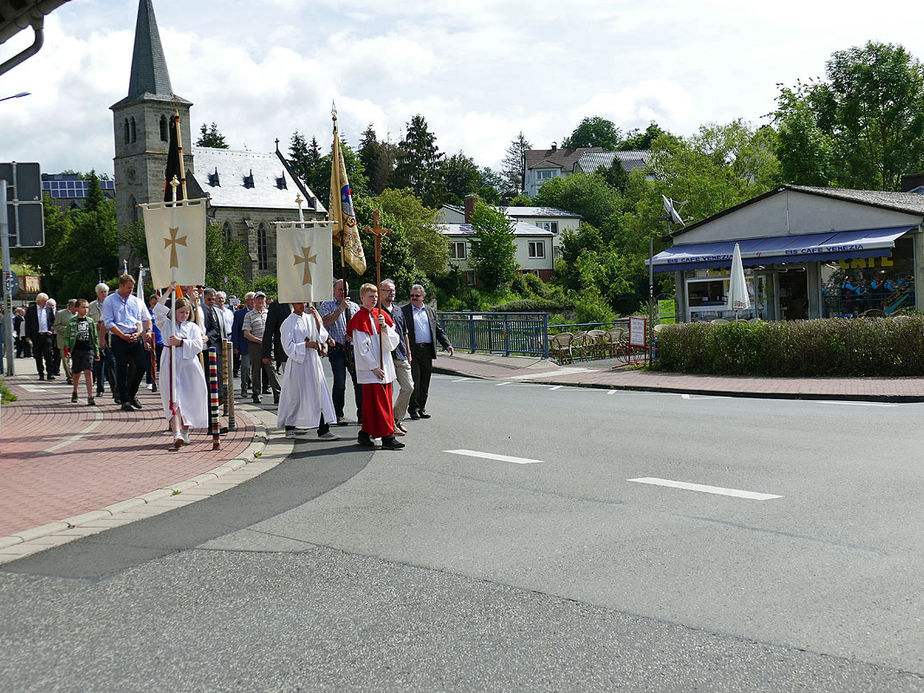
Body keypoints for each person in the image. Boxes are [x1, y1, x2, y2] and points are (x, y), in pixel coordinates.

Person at [347, 283, 404, 450]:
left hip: (384, 365)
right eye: (371, 297)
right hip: (372, 370)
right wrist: (373, 366)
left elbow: (392, 342)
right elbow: (361, 348)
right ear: (362, 297)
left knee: (376, 405)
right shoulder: (358, 318)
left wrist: (384, 327)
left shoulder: (381, 315)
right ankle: (387, 437)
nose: (374, 300)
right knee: (379, 404)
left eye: (376, 297)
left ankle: (365, 434)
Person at [154, 283, 208, 448]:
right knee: (173, 398)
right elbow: (157, 309)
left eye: (186, 312)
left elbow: (199, 344)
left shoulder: (192, 326)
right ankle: (176, 432)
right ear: (174, 312)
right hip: (170, 363)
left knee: (187, 399)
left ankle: (185, 430)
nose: (184, 315)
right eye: (180, 312)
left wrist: (181, 342)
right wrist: (169, 292)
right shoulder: (166, 324)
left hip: (188, 366)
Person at [277, 302, 338, 440]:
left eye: (303, 302)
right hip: (298, 363)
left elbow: (321, 336)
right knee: (296, 395)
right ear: (293, 303)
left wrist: (317, 318)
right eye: (299, 302)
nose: (302, 305)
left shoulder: (309, 317)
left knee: (318, 393)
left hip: (312, 361)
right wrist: (305, 345)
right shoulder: (288, 323)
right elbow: (287, 346)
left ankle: (323, 429)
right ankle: (290, 425)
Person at [102, 273, 153, 411]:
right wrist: (122, 335)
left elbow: (144, 319)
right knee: (122, 368)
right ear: (121, 286)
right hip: (119, 338)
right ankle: (124, 399)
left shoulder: (136, 301)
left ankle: (132, 393)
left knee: (142, 365)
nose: (131, 291)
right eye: (128, 288)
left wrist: (144, 331)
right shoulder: (110, 301)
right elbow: (108, 322)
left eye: (132, 288)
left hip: (134, 337)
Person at [402, 284, 453, 420]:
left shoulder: (429, 311)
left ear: (423, 297)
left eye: (417, 296)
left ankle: (422, 408)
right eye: (412, 295)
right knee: (415, 381)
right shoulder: (404, 311)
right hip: (413, 351)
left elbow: (438, 330)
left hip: (427, 350)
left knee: (425, 381)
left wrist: (447, 344)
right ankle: (413, 408)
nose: (413, 298)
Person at [319, 279, 362, 425]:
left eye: (345, 290)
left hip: (352, 349)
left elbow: (360, 326)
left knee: (359, 382)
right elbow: (325, 322)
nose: (343, 292)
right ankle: (338, 414)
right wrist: (340, 309)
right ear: (334, 290)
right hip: (336, 347)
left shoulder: (355, 307)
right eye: (340, 290)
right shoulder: (327, 305)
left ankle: (362, 414)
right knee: (339, 383)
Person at [380, 279, 413, 435]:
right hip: (385, 355)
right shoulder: (377, 310)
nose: (391, 293)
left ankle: (396, 419)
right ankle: (388, 424)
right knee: (388, 391)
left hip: (400, 354)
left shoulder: (399, 310)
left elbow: (404, 332)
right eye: (388, 290)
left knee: (408, 387)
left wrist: (408, 352)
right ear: (381, 292)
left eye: (393, 290)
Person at [242, 291, 280, 404]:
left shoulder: (269, 313)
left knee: (271, 369)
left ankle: (277, 394)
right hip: (255, 345)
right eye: (258, 299)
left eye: (262, 299)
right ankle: (256, 394)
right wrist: (259, 341)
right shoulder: (249, 315)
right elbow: (246, 333)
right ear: (254, 301)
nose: (260, 301)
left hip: (269, 345)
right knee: (256, 370)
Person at [64, 298, 100, 405]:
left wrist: (97, 351)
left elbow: (94, 337)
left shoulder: (90, 321)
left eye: (87, 307)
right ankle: (75, 391)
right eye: (83, 307)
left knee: (88, 372)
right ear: (77, 308)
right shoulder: (72, 322)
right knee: (76, 373)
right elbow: (67, 336)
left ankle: (90, 396)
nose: (86, 309)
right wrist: (67, 349)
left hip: (88, 349)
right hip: (77, 349)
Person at [88, 283, 118, 401]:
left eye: (105, 292)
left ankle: (114, 389)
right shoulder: (91, 306)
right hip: (96, 337)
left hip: (110, 337)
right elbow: (88, 321)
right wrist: (97, 324)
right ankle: (100, 389)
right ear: (97, 293)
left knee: (112, 364)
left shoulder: (112, 304)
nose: (104, 294)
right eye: (101, 292)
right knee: (99, 364)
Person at [202, 287, 228, 400]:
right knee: (211, 373)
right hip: (208, 346)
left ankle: (222, 393)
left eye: (213, 299)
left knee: (221, 371)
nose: (212, 302)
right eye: (209, 299)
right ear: (204, 299)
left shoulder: (218, 311)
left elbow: (222, 329)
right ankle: (213, 393)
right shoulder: (201, 311)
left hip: (220, 345)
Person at [24, 292, 55, 381]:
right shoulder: (31, 310)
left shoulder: (49, 309)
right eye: (44, 301)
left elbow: (53, 322)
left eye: (46, 301)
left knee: (48, 355)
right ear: (38, 301)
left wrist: (51, 330)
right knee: (38, 356)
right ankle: (41, 373)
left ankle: (50, 373)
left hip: (47, 335)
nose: (45, 303)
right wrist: (27, 336)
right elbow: (28, 324)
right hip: (36, 336)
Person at [231, 292, 255, 398]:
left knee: (256, 369)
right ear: (246, 301)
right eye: (250, 300)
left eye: (253, 299)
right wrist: (235, 346)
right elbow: (235, 331)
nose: (252, 302)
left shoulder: (260, 313)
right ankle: (244, 388)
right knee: (245, 368)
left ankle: (255, 389)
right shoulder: (239, 314)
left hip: (257, 346)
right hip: (244, 346)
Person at [54, 298, 78, 384]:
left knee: (76, 359)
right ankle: (69, 376)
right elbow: (56, 326)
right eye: (76, 306)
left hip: (76, 341)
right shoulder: (60, 313)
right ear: (71, 306)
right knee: (65, 360)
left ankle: (75, 374)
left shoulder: (79, 314)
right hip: (64, 341)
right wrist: (68, 329)